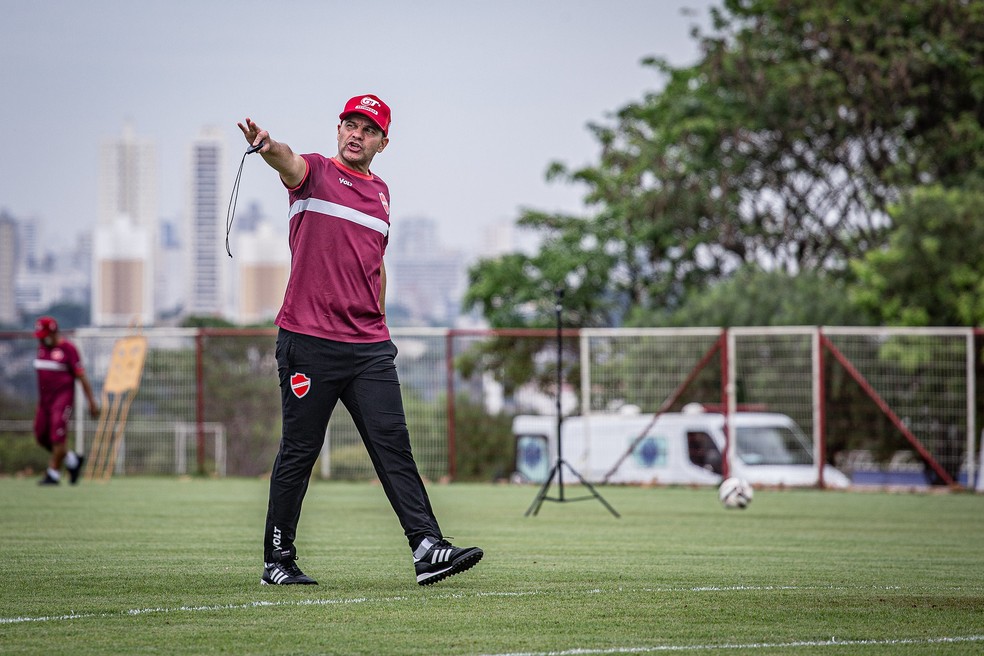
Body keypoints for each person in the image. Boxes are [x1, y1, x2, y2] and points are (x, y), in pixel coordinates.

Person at [237, 94, 483, 587]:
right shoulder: (313, 173)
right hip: (308, 341)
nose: (356, 134)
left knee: (394, 446)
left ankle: (427, 548)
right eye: (350, 124)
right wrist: (266, 146)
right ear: (338, 129)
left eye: (367, 130)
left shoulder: (382, 195)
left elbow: (376, 263)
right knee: (300, 451)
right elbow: (285, 159)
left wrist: (381, 324)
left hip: (368, 347)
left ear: (383, 142)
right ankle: (277, 561)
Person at [32, 316, 100, 485]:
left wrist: (91, 401)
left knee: (57, 436)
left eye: (44, 335)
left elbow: (81, 376)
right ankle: (71, 460)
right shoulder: (41, 348)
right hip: (44, 402)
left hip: (62, 400)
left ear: (54, 332)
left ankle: (53, 473)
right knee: (41, 436)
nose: (41, 338)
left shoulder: (68, 349)